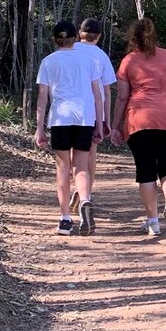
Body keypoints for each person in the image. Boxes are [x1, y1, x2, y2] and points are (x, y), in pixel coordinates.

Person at [110, 17, 166, 235]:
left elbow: (122, 97)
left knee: (146, 171)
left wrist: (115, 126)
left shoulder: (129, 61)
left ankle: (153, 222)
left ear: (133, 38)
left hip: (141, 120)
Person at [35, 20, 104, 236]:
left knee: (63, 168)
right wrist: (100, 123)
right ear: (75, 38)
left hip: (60, 118)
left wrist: (39, 128)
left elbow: (42, 97)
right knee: (81, 166)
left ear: (55, 39)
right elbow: (97, 95)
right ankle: (84, 200)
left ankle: (65, 219)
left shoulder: (48, 62)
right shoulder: (88, 59)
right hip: (85, 117)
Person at [68, 18, 116, 214]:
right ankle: (86, 193)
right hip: (92, 110)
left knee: (73, 153)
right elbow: (107, 90)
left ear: (80, 34)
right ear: (99, 37)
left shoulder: (69, 50)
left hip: (69, 109)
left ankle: (78, 188)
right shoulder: (101, 56)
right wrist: (106, 119)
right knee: (90, 153)